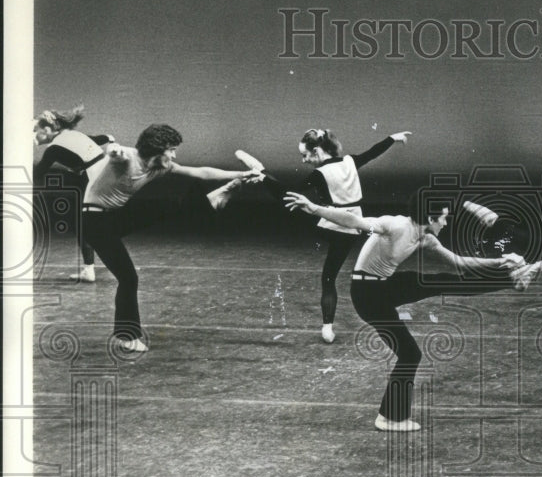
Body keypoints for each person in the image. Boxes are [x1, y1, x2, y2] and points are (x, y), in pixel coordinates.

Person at [284, 189, 542, 432]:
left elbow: (460, 264)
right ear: (431, 216)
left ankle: (515, 280)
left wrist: (503, 261)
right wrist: (315, 208)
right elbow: (354, 221)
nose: (445, 223)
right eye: (443, 218)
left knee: (442, 281)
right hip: (367, 295)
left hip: (384, 287)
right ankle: (388, 417)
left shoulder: (425, 237)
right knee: (410, 353)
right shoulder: (397, 224)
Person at [81, 124, 262, 352]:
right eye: (172, 149)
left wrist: (241, 174)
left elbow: (201, 172)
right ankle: (125, 336)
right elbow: (116, 154)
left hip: (116, 216)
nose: (174, 155)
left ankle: (219, 195)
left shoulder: (159, 166)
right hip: (94, 222)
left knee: (169, 207)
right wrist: (114, 151)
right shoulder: (127, 158)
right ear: (157, 148)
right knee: (128, 278)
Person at [235, 128, 411, 343]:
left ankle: (260, 172)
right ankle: (327, 327)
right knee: (329, 277)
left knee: (291, 202)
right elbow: (372, 152)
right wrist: (392, 138)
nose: (304, 159)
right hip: (352, 229)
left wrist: (264, 178)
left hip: (329, 226)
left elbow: (289, 193)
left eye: (305, 155)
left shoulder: (319, 174)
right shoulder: (349, 161)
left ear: (317, 150)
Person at [33, 104, 116, 282]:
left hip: (93, 178)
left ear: (47, 129)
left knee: (84, 225)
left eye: (35, 131)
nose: (34, 136)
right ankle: (108, 263)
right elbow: (98, 138)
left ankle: (89, 270)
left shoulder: (53, 148)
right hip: (106, 174)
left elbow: (38, 174)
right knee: (95, 223)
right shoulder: (73, 135)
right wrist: (110, 138)